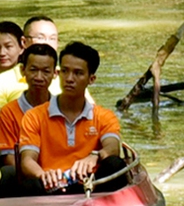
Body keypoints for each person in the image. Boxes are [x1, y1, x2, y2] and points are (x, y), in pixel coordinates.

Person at [17, 41, 129, 193]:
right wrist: (43, 175)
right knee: (29, 185)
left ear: (91, 79)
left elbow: (112, 147)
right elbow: (27, 160)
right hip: (51, 186)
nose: (69, 78)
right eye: (65, 71)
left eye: (78, 73)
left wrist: (95, 156)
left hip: (90, 184)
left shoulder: (104, 116)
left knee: (115, 164)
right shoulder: (34, 116)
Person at [0, 41, 60, 193]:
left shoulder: (64, 109)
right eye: (33, 70)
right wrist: (42, 174)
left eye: (46, 71)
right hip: (28, 179)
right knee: (8, 173)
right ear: (23, 71)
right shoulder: (9, 112)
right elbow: (10, 160)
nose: (39, 77)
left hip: (60, 173)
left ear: (55, 74)